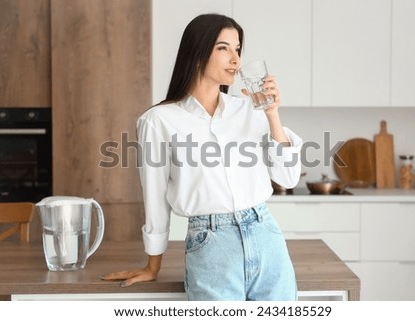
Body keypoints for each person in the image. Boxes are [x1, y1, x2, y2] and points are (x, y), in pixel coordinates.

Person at [102, 13, 303, 301]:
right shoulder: (158, 121)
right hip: (211, 246)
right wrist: (152, 264)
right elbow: (155, 196)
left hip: (266, 236)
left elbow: (287, 177)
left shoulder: (250, 109)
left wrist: (272, 115)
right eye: (223, 48)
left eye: (237, 49)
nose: (235, 59)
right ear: (197, 52)